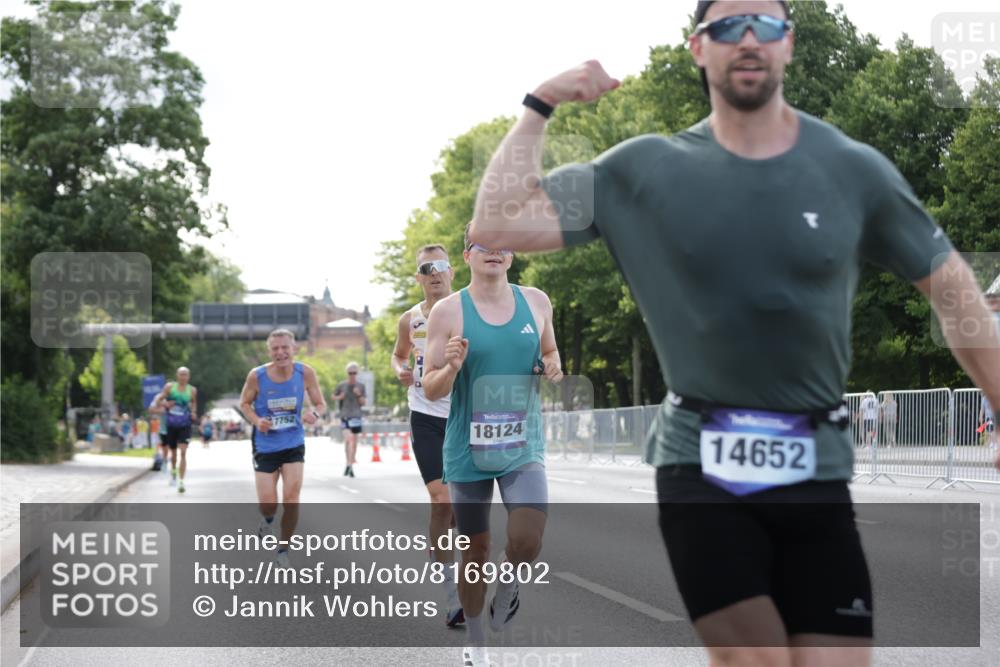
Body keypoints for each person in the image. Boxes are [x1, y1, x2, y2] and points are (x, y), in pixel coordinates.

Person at [465, 1, 1000, 664]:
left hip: (817, 470)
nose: (748, 38)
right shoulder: (642, 172)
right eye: (727, 26)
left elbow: (954, 291)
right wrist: (540, 101)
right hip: (701, 463)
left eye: (766, 25)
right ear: (698, 48)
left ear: (789, 45)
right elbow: (494, 224)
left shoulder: (853, 169)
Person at [422, 225, 562, 667]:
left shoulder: (536, 302)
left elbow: (551, 351)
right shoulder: (447, 312)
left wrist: (551, 366)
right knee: (475, 549)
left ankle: (510, 584)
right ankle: (478, 643)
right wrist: (453, 368)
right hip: (468, 448)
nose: (494, 252)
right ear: (467, 254)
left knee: (526, 539)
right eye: (484, 244)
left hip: (523, 443)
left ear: (512, 255)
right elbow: (430, 388)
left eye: (503, 245)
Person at [390, 243, 464, 627]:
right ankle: (453, 595)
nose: (434, 274)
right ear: (419, 277)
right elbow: (399, 354)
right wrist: (400, 368)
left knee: (462, 510)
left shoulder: (472, 310)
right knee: (441, 500)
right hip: (426, 414)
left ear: (452, 270)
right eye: (426, 268)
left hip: (466, 415)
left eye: (440, 267)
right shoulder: (410, 319)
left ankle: (446, 554)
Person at [239, 329, 326, 566]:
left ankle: (283, 549)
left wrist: (314, 413)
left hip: (293, 443)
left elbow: (320, 403)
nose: (281, 352)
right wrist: (257, 421)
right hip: (265, 445)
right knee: (268, 503)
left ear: (294, 348)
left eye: (285, 347)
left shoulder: (305, 372)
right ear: (270, 351)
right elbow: (244, 403)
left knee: (292, 498)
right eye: (275, 349)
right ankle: (267, 520)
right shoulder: (257, 376)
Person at [151, 367, 198, 493]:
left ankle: (181, 481)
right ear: (177, 375)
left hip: (185, 424)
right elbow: (157, 400)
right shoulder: (170, 387)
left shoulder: (192, 390)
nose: (183, 377)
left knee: (183, 452)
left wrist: (193, 412)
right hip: (171, 424)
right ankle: (173, 473)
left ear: (189, 376)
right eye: (181, 374)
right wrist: (165, 404)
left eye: (185, 374)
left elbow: (194, 404)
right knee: (174, 453)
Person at [332, 362, 367, 477]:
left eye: (354, 373)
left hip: (356, 416)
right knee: (348, 439)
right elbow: (333, 396)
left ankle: (350, 464)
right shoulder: (342, 385)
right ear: (347, 373)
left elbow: (363, 403)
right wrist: (339, 397)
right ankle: (348, 463)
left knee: (354, 443)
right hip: (345, 416)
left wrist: (358, 395)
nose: (352, 375)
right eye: (350, 373)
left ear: (357, 373)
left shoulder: (361, 386)